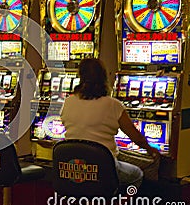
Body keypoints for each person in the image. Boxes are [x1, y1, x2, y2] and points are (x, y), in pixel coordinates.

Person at [60, 58, 159, 189]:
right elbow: (136, 138)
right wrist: (152, 151)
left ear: (81, 77)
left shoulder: (68, 102)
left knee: (120, 156)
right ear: (104, 77)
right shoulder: (113, 105)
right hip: (103, 165)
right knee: (140, 173)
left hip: (72, 165)